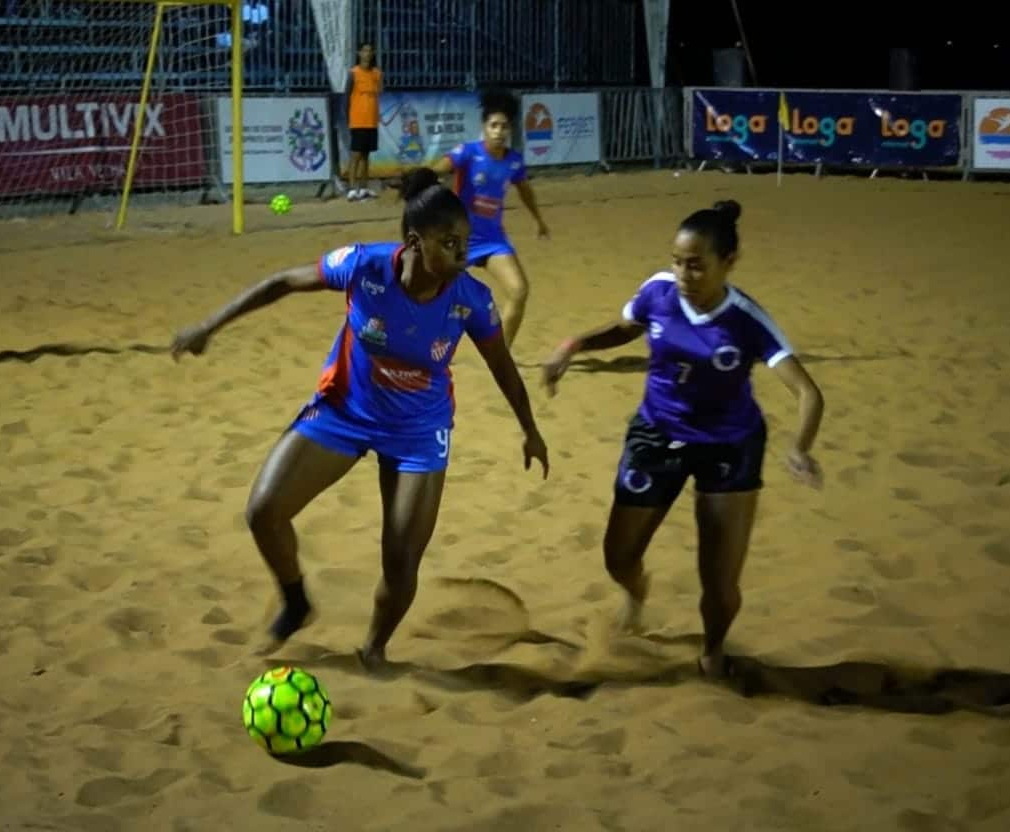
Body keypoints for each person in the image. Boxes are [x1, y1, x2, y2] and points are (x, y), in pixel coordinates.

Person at [170, 167, 550, 668]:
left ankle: (373, 649)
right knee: (263, 510)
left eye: (466, 244)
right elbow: (283, 282)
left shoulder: (470, 299)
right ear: (415, 242)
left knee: (400, 560)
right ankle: (296, 600)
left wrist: (530, 430)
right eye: (450, 244)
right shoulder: (365, 266)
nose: (463, 255)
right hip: (346, 409)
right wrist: (209, 325)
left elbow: (503, 367)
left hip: (418, 432)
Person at [540, 200, 825, 679]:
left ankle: (713, 652)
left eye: (696, 264)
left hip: (729, 446)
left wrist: (800, 446)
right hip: (657, 433)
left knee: (718, 580)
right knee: (618, 556)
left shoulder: (747, 320)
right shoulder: (658, 291)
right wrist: (573, 345)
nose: (683, 273)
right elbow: (624, 327)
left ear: (728, 263)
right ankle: (635, 590)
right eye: (677, 261)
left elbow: (807, 392)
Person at [432, 88, 549, 350]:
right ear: (484, 127)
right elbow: (442, 166)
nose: (498, 131)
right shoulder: (469, 153)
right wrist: (424, 176)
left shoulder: (514, 162)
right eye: (493, 125)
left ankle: (500, 355)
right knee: (430, 297)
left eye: (504, 126)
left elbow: (526, 191)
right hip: (458, 239)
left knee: (519, 291)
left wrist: (539, 220)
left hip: (492, 240)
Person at [345, 41, 382, 202]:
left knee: (366, 156)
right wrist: (349, 118)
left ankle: (364, 188)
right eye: (364, 51)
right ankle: (353, 189)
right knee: (356, 155)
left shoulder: (377, 74)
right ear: (359, 53)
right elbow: (347, 97)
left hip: (371, 121)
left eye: (370, 50)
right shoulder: (353, 73)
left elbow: (379, 92)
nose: (367, 54)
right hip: (358, 120)